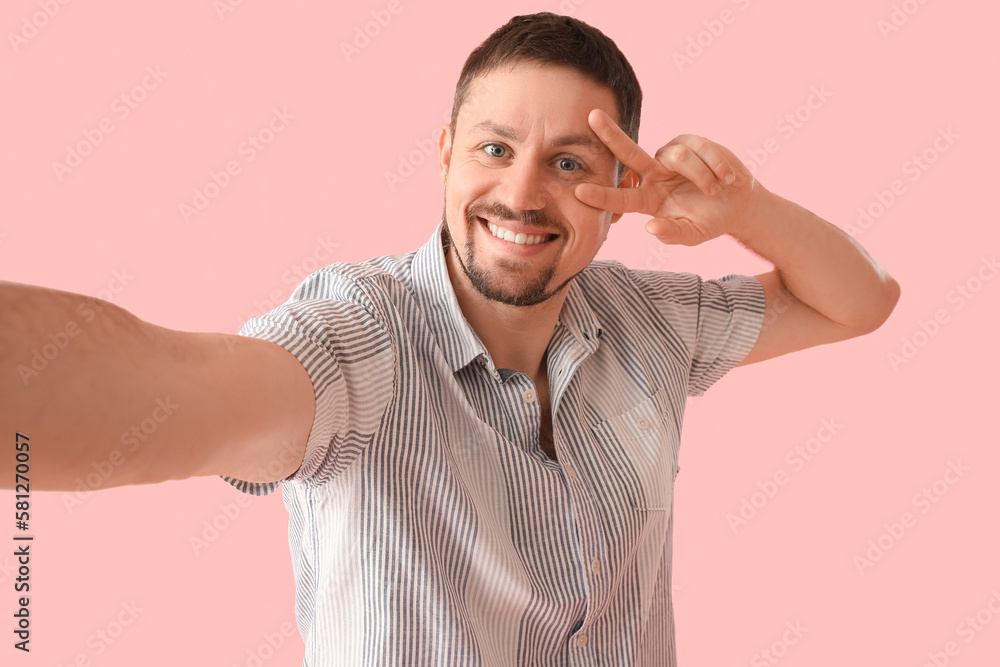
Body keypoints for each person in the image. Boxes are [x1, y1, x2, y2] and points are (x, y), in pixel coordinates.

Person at [1, 12, 899, 666]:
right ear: (443, 153)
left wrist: (747, 209)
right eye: (495, 149)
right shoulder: (363, 332)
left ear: (629, 183)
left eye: (571, 164)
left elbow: (861, 300)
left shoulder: (649, 322)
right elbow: (169, 380)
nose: (522, 194)